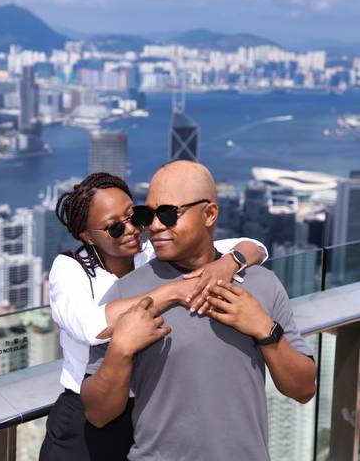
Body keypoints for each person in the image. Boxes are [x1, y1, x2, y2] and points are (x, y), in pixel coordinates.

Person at [82, 161, 317, 461]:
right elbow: (98, 414)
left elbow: (304, 388)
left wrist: (264, 330)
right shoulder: (126, 294)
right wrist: (120, 352)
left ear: (209, 214)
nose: (154, 226)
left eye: (167, 214)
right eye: (147, 214)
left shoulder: (262, 284)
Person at [39, 172, 268, 461]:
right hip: (85, 418)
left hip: (146, 414)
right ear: (87, 236)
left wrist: (229, 263)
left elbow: (254, 246)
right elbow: (91, 326)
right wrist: (173, 290)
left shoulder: (151, 254)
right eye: (114, 229)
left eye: (135, 217)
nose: (132, 230)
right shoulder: (71, 269)